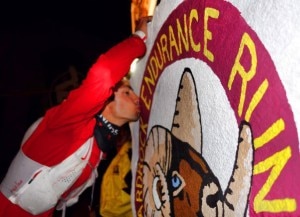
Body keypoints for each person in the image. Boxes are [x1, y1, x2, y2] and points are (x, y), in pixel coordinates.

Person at [0, 16, 151, 217]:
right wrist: (138, 38)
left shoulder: (100, 145)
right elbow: (103, 75)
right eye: (127, 92)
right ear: (105, 102)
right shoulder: (67, 124)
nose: (136, 97)